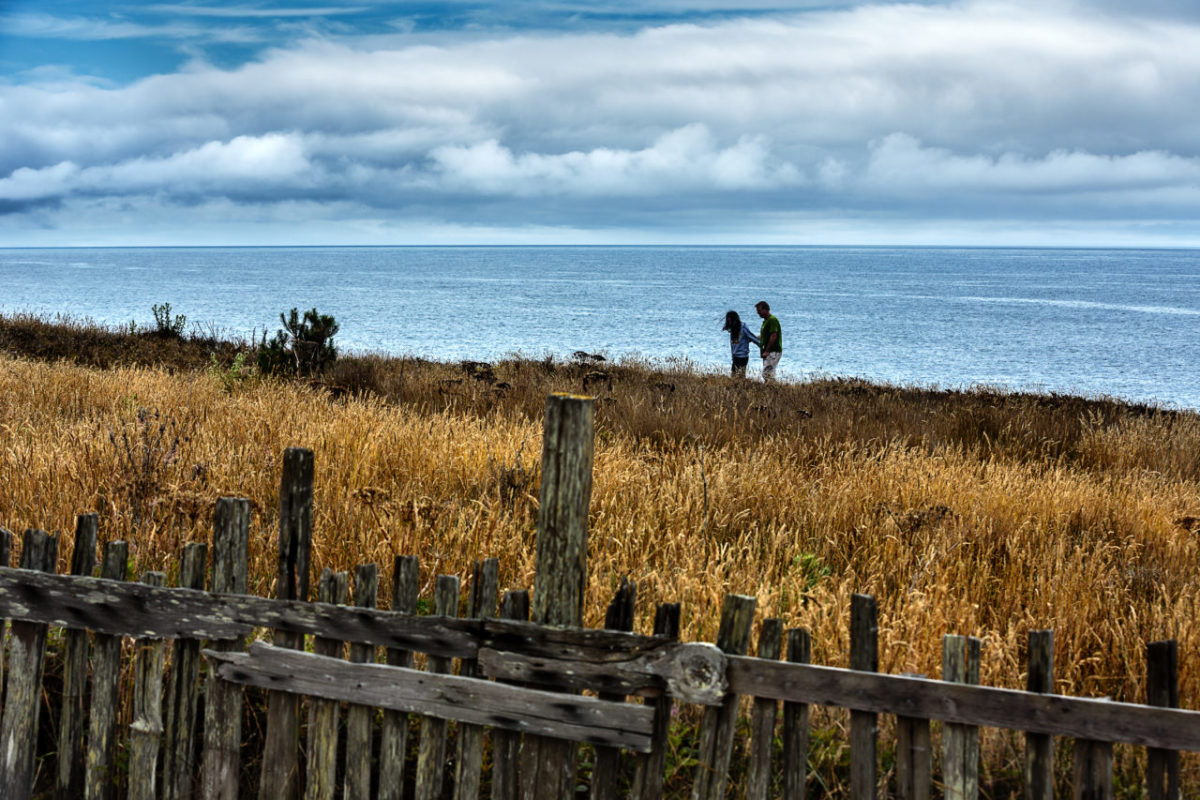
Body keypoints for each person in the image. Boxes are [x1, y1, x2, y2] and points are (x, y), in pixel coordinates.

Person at [722, 310, 760, 378]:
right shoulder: (732, 329)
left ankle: (742, 387)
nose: (729, 323)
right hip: (735, 356)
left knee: (741, 376)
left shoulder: (743, 327)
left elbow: (752, 337)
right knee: (733, 376)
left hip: (743, 356)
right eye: (728, 321)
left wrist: (763, 347)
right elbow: (732, 344)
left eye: (730, 321)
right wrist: (732, 355)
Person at [755, 300, 782, 382]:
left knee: (767, 373)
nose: (758, 313)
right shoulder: (765, 321)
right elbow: (764, 336)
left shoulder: (772, 320)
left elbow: (773, 335)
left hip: (773, 351)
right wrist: (751, 338)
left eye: (759, 311)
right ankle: (771, 390)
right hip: (768, 352)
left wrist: (767, 351)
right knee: (769, 373)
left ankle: (774, 389)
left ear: (766, 310)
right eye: (757, 311)